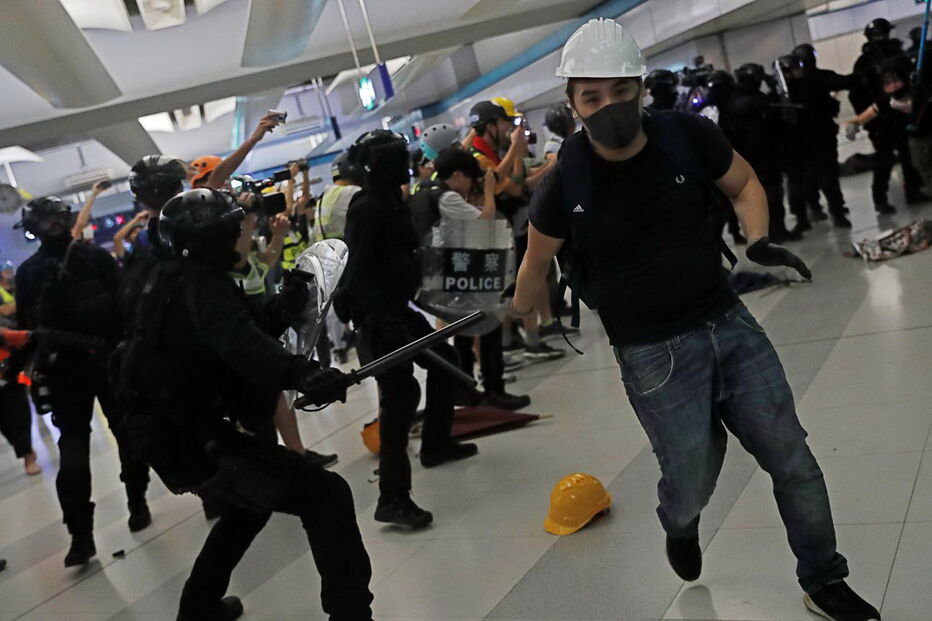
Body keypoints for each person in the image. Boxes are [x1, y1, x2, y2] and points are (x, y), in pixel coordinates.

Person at [510, 18, 881, 621]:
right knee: (692, 478)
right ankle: (678, 522)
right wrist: (521, 313)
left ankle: (823, 577)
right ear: (572, 104)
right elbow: (537, 259)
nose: (609, 107)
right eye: (591, 97)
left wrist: (758, 240)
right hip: (652, 355)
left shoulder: (685, 136)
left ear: (639, 85)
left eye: (620, 91)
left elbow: (744, 182)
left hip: (727, 322)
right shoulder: (564, 182)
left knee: (793, 459)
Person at [114, 187, 372, 620]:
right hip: (193, 440)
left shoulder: (173, 275)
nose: (245, 238)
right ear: (215, 239)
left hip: (172, 434)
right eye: (237, 231)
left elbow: (227, 329)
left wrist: (280, 308)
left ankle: (196, 612)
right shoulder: (202, 285)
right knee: (325, 495)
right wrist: (302, 373)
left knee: (247, 507)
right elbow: (239, 343)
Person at [343, 130, 479, 528]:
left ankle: (435, 445)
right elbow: (358, 268)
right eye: (400, 158)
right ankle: (393, 497)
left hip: (396, 310)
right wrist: (380, 320)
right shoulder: (369, 206)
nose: (407, 164)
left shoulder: (387, 200)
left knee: (444, 361)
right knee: (400, 397)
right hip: (379, 318)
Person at [14, 196, 151, 568]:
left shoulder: (28, 273)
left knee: (77, 448)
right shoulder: (96, 258)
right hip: (103, 362)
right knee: (126, 436)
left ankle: (82, 537)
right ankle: (135, 506)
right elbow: (126, 308)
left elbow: (28, 326)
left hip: (65, 370)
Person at [850, 18, 928, 212]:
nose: (883, 38)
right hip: (880, 119)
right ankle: (880, 198)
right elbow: (857, 94)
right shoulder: (864, 62)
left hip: (901, 117)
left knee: (908, 154)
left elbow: (911, 80)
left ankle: (912, 190)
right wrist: (864, 120)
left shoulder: (896, 54)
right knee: (884, 160)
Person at [727, 62, 800, 243]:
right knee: (761, 199)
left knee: (775, 195)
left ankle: (779, 229)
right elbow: (745, 107)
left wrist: (773, 87)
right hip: (751, 159)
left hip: (768, 155)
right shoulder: (737, 98)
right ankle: (768, 233)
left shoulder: (756, 96)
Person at [844, 56, 932, 195]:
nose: (892, 86)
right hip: (916, 141)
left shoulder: (921, 94)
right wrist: (852, 124)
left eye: (896, 81)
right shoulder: (886, 101)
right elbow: (863, 117)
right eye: (887, 83)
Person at [788, 43, 854, 228]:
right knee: (826, 176)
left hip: (810, 138)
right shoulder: (814, 80)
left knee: (815, 176)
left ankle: (821, 209)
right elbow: (844, 82)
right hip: (817, 137)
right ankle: (834, 211)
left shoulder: (794, 85)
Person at [0, 260, 40, 476]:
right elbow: (6, 311)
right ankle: (23, 448)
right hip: (9, 340)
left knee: (17, 410)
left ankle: (27, 455)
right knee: (5, 422)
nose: (8, 274)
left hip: (11, 355)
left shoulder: (15, 287)